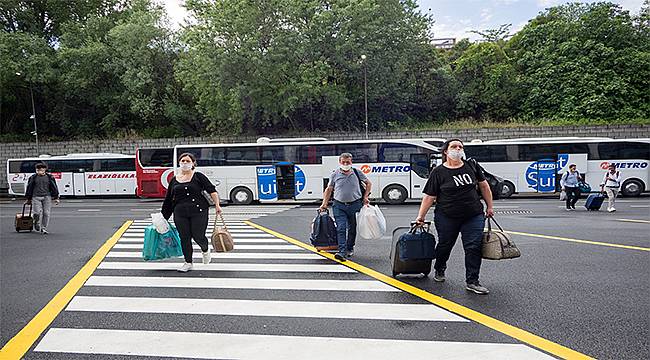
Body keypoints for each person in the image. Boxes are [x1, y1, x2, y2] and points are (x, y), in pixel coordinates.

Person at [415, 139, 494, 295]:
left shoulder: (471, 165)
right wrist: (420, 216)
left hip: (473, 215)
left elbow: (484, 186)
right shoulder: (438, 172)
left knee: (473, 247)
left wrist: (490, 206)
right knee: (445, 245)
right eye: (454, 147)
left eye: (460, 147)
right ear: (446, 151)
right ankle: (440, 267)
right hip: (447, 216)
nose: (458, 149)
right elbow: (429, 196)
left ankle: (472, 281)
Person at [162, 153, 222, 272]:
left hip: (199, 211)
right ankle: (188, 262)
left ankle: (205, 249)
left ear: (193, 163)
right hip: (180, 212)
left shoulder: (198, 176)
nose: (185, 163)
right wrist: (163, 216)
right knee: (184, 237)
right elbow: (169, 198)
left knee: (198, 236)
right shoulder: (174, 179)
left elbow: (212, 191)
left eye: (187, 161)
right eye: (182, 161)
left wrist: (217, 205)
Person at [319, 153, 372, 261]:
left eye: (348, 162)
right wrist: (324, 204)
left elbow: (368, 183)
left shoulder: (357, 173)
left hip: (355, 205)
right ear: (340, 162)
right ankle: (342, 252)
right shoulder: (335, 174)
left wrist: (365, 197)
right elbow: (329, 189)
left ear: (351, 162)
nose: (345, 164)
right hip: (339, 205)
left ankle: (349, 247)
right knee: (341, 228)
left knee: (352, 228)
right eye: (343, 162)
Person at [25, 162, 60, 234]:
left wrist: (56, 197)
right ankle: (36, 223)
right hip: (36, 197)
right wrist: (28, 199)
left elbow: (54, 187)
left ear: (44, 170)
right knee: (36, 213)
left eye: (40, 170)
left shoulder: (50, 177)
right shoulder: (33, 177)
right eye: (37, 170)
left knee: (46, 213)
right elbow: (29, 188)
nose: (39, 171)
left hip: (47, 197)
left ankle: (43, 228)